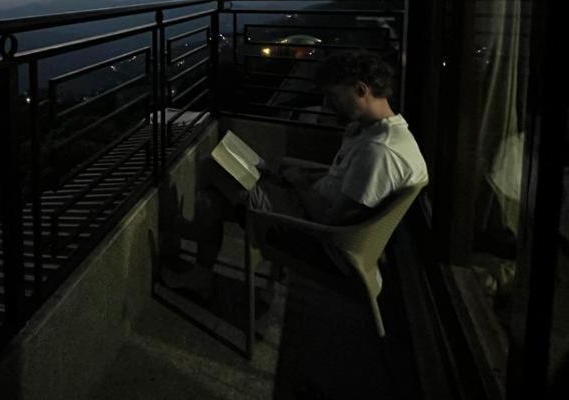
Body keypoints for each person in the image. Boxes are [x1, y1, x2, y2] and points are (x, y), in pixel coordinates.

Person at [163, 50, 429, 298]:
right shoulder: (375, 131)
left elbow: (330, 220)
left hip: (311, 237)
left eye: (333, 96)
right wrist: (301, 179)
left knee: (211, 165)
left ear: (361, 90)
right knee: (209, 201)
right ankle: (201, 273)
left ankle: (188, 231)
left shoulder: (380, 152)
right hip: (304, 207)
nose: (328, 105)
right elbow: (344, 183)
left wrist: (301, 186)